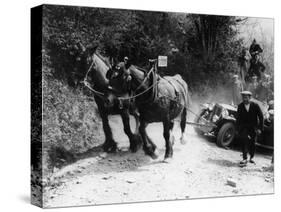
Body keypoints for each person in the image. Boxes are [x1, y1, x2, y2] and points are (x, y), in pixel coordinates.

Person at [236, 91, 264, 166]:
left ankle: (251, 157)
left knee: (253, 142)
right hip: (244, 127)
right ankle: (244, 158)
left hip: (253, 127)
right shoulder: (240, 106)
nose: (244, 99)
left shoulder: (255, 105)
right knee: (244, 140)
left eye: (246, 97)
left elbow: (261, 117)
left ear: (250, 98)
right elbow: (238, 118)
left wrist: (260, 128)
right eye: (243, 97)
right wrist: (237, 128)